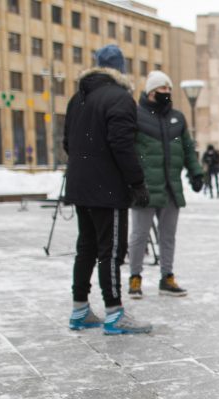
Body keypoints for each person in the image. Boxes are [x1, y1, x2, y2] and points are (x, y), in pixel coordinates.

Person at [63, 44, 151, 335]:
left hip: (80, 185)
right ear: (120, 69)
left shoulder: (78, 99)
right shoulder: (120, 98)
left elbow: (68, 143)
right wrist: (136, 182)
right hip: (107, 188)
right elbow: (122, 144)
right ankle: (114, 314)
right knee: (111, 250)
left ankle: (80, 309)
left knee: (86, 248)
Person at [127, 71, 204, 300]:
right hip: (145, 188)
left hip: (171, 186)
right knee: (139, 235)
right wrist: (131, 179)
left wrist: (196, 173)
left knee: (168, 235)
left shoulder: (177, 118)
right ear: (151, 92)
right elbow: (128, 149)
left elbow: (188, 149)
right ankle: (135, 277)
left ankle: (167, 277)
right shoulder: (137, 117)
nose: (167, 93)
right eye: (163, 89)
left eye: (169, 90)